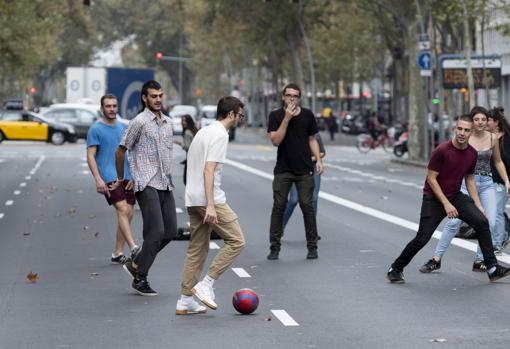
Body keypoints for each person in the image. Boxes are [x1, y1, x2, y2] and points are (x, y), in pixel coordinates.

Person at [387, 114, 510, 284]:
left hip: (456, 196)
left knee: (482, 222)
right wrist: (446, 204)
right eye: (459, 129)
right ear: (455, 129)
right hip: (434, 199)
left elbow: (470, 179)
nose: (462, 133)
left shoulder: (472, 154)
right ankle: (396, 268)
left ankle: (492, 268)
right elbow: (431, 179)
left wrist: (478, 205)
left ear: (471, 133)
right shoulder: (442, 150)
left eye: (466, 130)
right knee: (422, 238)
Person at [176, 96, 245, 315]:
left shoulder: (203, 131)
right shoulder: (220, 135)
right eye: (240, 115)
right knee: (236, 240)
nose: (240, 120)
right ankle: (207, 284)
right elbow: (209, 170)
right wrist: (212, 205)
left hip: (192, 198)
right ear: (231, 114)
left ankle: (185, 300)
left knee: (197, 248)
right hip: (209, 199)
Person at [419, 106, 510, 273]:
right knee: (453, 222)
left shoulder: (493, 138)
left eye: (484, 119)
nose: (480, 123)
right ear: (472, 121)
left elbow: (498, 161)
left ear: (487, 121)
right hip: (467, 183)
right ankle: (436, 259)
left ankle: (480, 260)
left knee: (488, 222)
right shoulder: (465, 138)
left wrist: (506, 180)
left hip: (487, 183)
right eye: (477, 120)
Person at [115, 80, 177, 296]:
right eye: (153, 96)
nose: (158, 99)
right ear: (144, 98)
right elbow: (121, 150)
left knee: (170, 232)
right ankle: (140, 277)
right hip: (146, 182)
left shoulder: (168, 123)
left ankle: (137, 263)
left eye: (160, 95)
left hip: (165, 183)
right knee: (156, 231)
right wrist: (124, 179)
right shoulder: (139, 122)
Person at [267, 83, 324, 260]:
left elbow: (312, 139)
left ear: (299, 98)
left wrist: (319, 160)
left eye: (295, 96)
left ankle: (312, 247)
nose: (292, 98)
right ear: (283, 97)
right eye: (289, 95)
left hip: (305, 169)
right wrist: (286, 119)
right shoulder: (276, 115)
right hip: (283, 170)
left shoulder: (307, 115)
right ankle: (274, 247)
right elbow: (276, 140)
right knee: (279, 207)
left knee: (308, 206)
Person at [86, 94, 140, 264]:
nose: (111, 109)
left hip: (127, 175)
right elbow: (90, 156)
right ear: (102, 108)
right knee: (123, 210)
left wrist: (135, 175)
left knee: (128, 213)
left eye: (114, 106)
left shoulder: (124, 127)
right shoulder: (95, 129)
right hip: (109, 176)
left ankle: (117, 253)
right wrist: (97, 179)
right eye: (108, 106)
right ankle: (133, 247)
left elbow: (132, 152)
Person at [282, 133, 325, 238]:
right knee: (293, 200)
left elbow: (322, 153)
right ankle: (281, 227)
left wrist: (314, 158)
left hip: (313, 168)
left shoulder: (315, 135)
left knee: (313, 198)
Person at [487, 107, 510, 254]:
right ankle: (502, 236)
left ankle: (496, 245)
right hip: (487, 181)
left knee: (497, 213)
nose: (486, 122)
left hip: (501, 182)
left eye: (488, 120)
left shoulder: (506, 138)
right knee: (491, 213)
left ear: (496, 122)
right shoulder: (488, 137)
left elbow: (506, 160)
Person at [173, 114, 198, 185]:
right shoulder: (194, 130)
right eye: (182, 121)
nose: (183, 122)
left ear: (189, 121)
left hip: (191, 159)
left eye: (185, 121)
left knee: (186, 180)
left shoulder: (187, 132)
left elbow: (188, 147)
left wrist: (180, 143)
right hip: (197, 158)